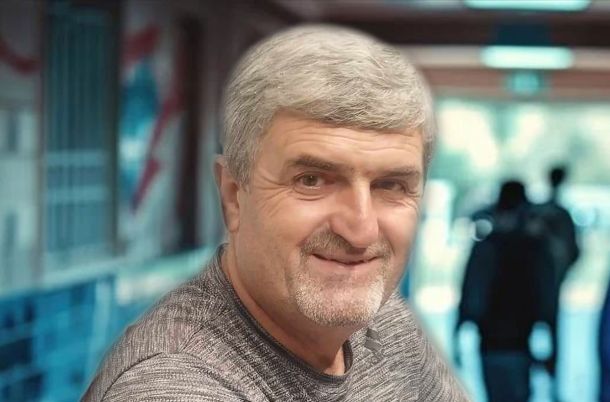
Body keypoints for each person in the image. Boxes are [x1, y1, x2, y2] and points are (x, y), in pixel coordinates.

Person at [82, 25, 468, 401]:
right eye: (312, 180)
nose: (361, 231)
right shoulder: (169, 386)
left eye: (391, 185)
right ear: (233, 196)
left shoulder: (382, 322)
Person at [456, 180, 553, 402]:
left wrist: (458, 334)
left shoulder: (486, 246)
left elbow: (469, 294)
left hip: (490, 343)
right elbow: (547, 299)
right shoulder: (533, 248)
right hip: (519, 343)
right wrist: (552, 347)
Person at [534, 165, 580, 391]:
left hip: (538, 284)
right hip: (550, 283)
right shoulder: (559, 215)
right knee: (551, 332)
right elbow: (574, 251)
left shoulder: (538, 212)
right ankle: (552, 380)